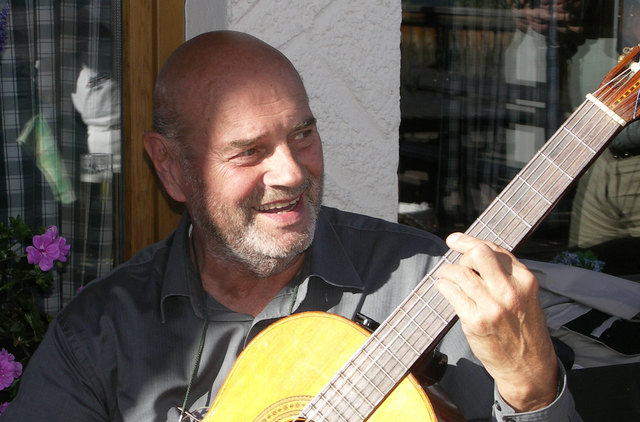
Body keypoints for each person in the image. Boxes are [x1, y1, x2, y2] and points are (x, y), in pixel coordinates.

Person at [0, 31, 580, 421]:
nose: (292, 172)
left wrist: (532, 388)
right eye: (250, 151)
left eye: (302, 134)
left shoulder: (431, 285)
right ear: (172, 169)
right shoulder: (101, 335)